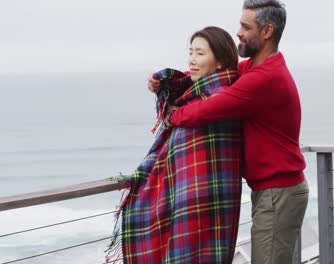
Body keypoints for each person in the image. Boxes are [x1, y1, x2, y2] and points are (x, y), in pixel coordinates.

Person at [149, 1, 309, 263]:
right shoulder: (255, 69)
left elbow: (208, 109)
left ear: (267, 31)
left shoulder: (264, 78)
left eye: (246, 27)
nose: (238, 32)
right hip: (274, 191)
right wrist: (166, 82)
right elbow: (218, 75)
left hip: (277, 193)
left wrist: (171, 117)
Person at [106, 26, 243, 264]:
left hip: (209, 202)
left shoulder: (223, 100)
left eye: (200, 54)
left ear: (220, 61)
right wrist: (163, 83)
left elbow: (189, 115)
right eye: (190, 52)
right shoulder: (195, 97)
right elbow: (180, 89)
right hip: (187, 201)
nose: (192, 60)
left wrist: (171, 111)